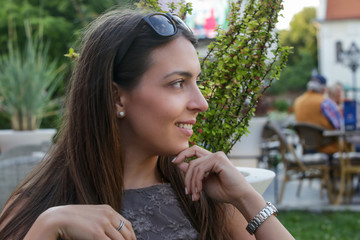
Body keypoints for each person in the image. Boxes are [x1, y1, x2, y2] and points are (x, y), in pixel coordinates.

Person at [0, 9, 294, 240]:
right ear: (117, 98)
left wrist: (246, 197)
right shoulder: (37, 207)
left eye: (197, 82)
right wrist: (49, 226)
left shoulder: (203, 198)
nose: (201, 103)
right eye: (178, 83)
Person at [294, 74, 343, 154]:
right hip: (326, 147)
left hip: (307, 148)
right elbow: (339, 125)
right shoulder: (325, 102)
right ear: (324, 89)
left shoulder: (297, 101)